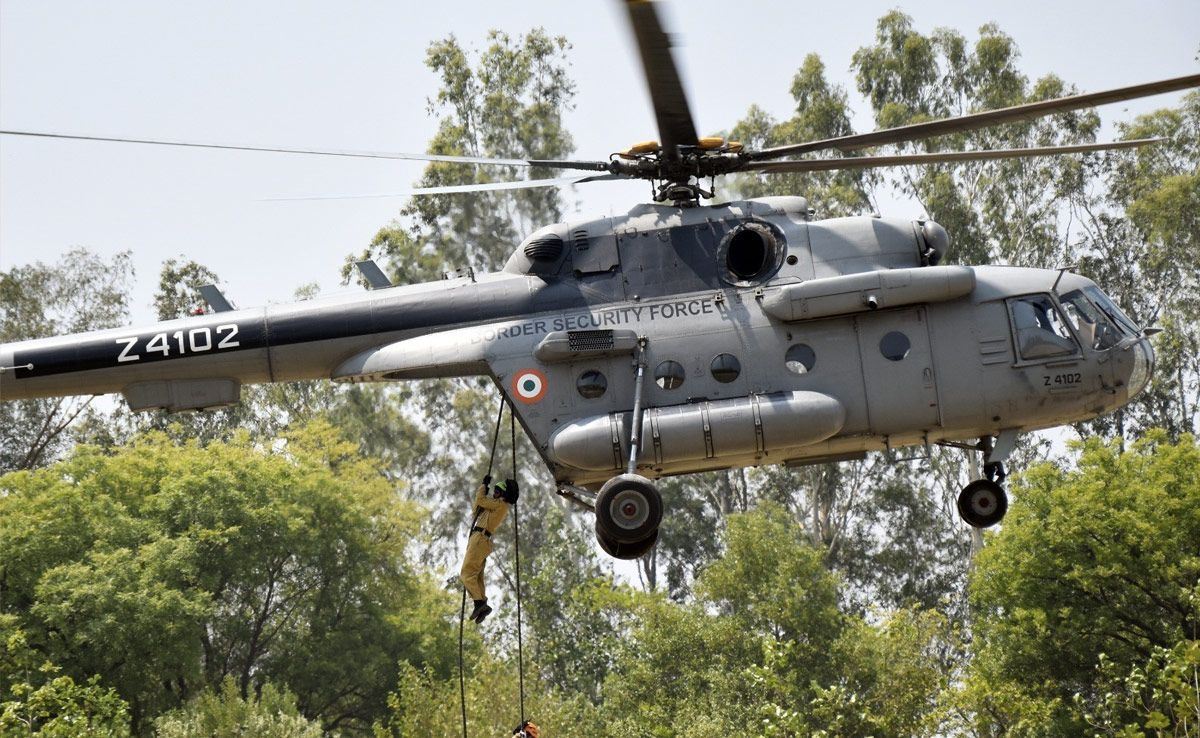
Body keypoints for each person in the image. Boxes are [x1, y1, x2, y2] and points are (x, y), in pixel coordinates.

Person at [460, 474, 519, 624]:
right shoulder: (493, 506)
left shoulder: (500, 504)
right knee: (476, 575)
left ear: (503, 495)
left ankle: (479, 603)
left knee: (466, 574)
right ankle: (481, 604)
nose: (494, 494)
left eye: (497, 492)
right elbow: (476, 510)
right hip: (480, 539)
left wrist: (482, 485)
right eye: (494, 491)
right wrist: (484, 491)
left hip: (480, 539)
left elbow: (480, 500)